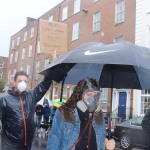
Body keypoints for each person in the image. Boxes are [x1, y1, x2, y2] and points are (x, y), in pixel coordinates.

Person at [46, 77, 115, 150]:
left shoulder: (99, 115)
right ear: (80, 95)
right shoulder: (64, 113)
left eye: (96, 95)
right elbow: (53, 143)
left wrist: (108, 146)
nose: (93, 99)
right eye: (89, 95)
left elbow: (101, 144)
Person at [0, 71, 52, 150]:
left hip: (27, 143)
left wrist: (50, 73)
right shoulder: (5, 99)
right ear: (14, 82)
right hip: (10, 144)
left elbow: (44, 86)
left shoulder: (31, 95)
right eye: (20, 81)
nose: (23, 83)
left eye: (25, 81)